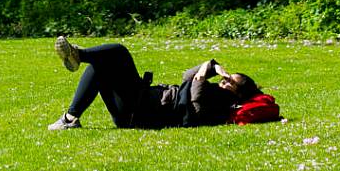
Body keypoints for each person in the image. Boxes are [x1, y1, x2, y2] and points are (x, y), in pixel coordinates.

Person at [48, 37, 262, 130]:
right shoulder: (217, 90)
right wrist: (212, 66)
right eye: (227, 76)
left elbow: (195, 96)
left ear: (237, 92)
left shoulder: (221, 102)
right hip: (138, 103)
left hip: (140, 110)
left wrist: (206, 71)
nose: (225, 80)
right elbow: (187, 75)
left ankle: (78, 54)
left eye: (230, 81)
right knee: (100, 66)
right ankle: (70, 119)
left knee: (119, 53)